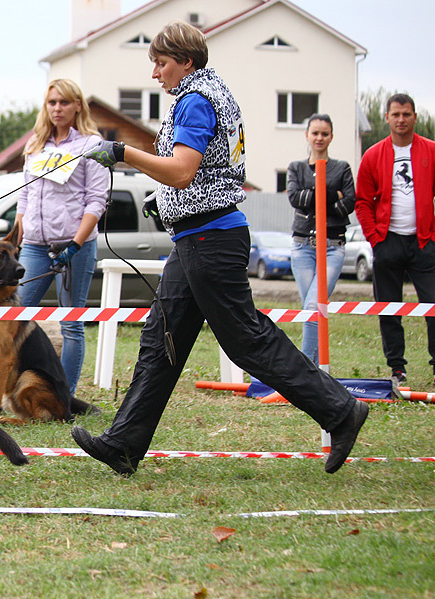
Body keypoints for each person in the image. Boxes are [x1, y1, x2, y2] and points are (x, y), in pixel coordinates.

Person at [73, 20, 367, 475]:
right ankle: (124, 445)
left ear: (186, 62)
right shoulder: (213, 92)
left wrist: (123, 153)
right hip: (197, 234)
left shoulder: (195, 99)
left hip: (211, 238)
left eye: (161, 63)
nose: (155, 73)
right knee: (161, 340)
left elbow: (182, 171)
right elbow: (204, 172)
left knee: (245, 339)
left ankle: (341, 410)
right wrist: (165, 199)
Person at [14, 78, 109, 395]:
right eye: (52, 102)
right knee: (14, 318)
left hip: (74, 247)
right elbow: (24, 197)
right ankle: (10, 393)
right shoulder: (35, 144)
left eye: (64, 102)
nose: (57, 108)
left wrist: (76, 243)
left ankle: (64, 398)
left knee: (71, 324)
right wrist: (18, 235)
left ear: (77, 105)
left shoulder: (91, 145)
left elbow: (97, 200)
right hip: (34, 246)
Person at [355, 93, 435, 385]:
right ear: (387, 118)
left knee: (434, 306)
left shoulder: (431, 151)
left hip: (425, 243)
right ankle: (397, 369)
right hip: (387, 242)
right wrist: (376, 239)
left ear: (415, 117)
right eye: (396, 114)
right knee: (389, 309)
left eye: (406, 114)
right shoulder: (374, 155)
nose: (401, 119)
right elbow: (363, 201)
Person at [286, 113, 356, 362]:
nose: (319, 137)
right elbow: (296, 199)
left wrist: (316, 197)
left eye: (324, 133)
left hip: (333, 247)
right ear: (307, 135)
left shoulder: (342, 168)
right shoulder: (296, 168)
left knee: (314, 307)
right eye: (315, 133)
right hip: (302, 246)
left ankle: (306, 370)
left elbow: (348, 204)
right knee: (311, 309)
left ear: (331, 137)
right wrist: (330, 194)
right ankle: (315, 371)